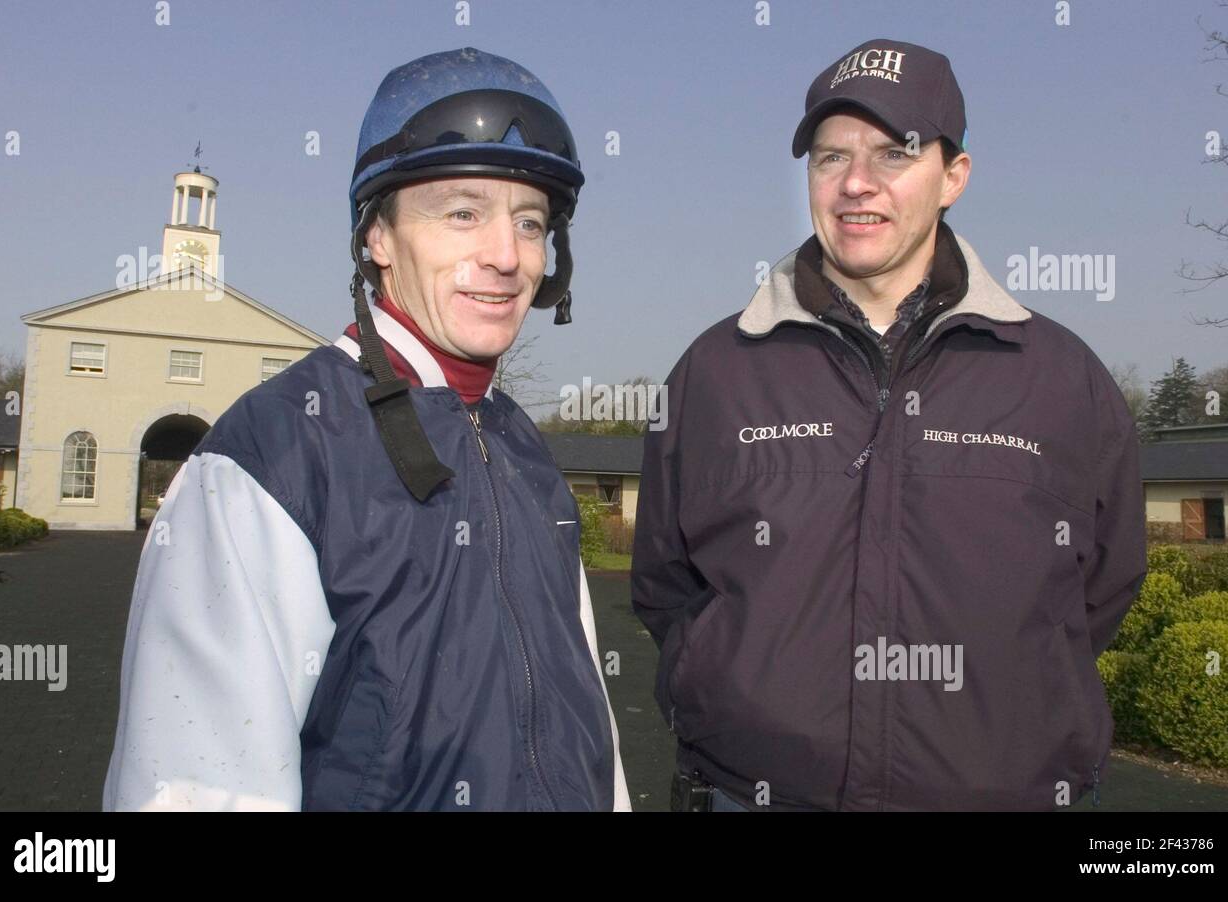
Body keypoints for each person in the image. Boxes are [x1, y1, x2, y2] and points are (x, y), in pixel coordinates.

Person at [104, 47, 630, 811]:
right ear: (378, 238)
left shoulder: (528, 452)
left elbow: (593, 733)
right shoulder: (270, 457)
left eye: (530, 221)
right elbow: (195, 789)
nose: (507, 255)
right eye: (462, 213)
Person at [632, 38, 1146, 811]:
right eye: (830, 158)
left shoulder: (1062, 379)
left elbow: (1104, 586)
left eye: (893, 153)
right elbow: (665, 584)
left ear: (954, 177)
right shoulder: (716, 372)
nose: (856, 184)